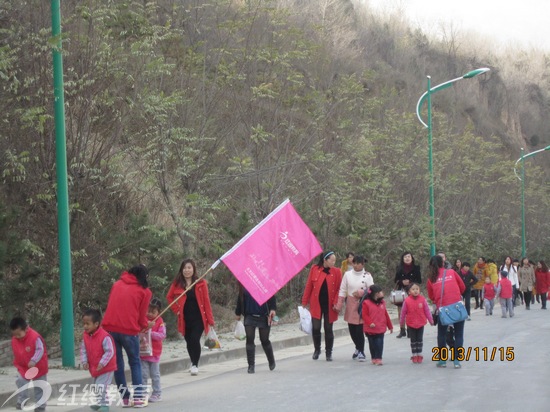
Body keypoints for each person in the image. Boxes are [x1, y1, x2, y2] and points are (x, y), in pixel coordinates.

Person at [102, 264, 151, 408]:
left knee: (118, 365)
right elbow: (142, 318)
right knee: (135, 362)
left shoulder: (117, 284)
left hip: (109, 329)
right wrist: (147, 325)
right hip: (129, 331)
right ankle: (138, 398)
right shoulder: (145, 291)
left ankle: (125, 399)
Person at [166, 258, 215, 376]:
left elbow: (206, 302)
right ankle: (193, 360)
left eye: (189, 268)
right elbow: (169, 297)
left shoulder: (200, 283)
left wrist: (210, 320)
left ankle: (195, 365)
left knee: (194, 338)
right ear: (181, 270)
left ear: (193, 269)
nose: (187, 270)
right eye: (185, 268)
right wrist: (177, 310)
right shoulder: (177, 284)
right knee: (188, 341)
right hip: (184, 318)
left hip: (199, 318)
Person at [302, 251, 342, 361]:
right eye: (332, 260)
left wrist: (336, 302)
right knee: (316, 328)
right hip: (316, 303)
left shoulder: (337, 272)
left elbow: (339, 289)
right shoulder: (314, 269)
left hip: (330, 305)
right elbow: (309, 286)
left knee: (328, 329)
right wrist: (304, 302)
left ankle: (329, 352)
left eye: (335, 260)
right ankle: (317, 349)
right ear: (325, 260)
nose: (334, 262)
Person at [427, 255, 466, 368]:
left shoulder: (431, 279)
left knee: (442, 334)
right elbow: (462, 287)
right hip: (457, 307)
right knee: (459, 334)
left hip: (443, 310)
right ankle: (457, 360)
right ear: (443, 263)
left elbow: (431, 296)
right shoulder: (452, 272)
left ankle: (442, 361)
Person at [335, 255, 373, 361]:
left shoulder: (367, 276)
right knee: (351, 328)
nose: (356, 265)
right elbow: (342, 290)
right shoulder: (347, 275)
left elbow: (372, 290)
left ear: (363, 264)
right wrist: (339, 304)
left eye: (358, 263)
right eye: (354, 263)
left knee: (359, 329)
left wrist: (361, 293)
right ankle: (357, 347)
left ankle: (361, 351)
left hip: (362, 304)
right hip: (351, 302)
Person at [80, 309, 117, 412]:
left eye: (88, 324)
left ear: (96, 324)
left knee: (101, 386)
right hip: (94, 367)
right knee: (96, 387)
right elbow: (83, 350)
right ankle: (100, 403)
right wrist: (84, 361)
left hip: (106, 367)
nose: (85, 326)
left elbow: (110, 351)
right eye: (84, 323)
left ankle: (104, 405)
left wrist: (102, 362)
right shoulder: (86, 336)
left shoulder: (105, 336)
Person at [235, 285, 277, 373]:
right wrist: (238, 313)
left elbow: (272, 296)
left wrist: (273, 309)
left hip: (264, 315)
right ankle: (251, 365)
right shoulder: (244, 283)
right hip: (249, 315)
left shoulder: (264, 282)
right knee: (250, 339)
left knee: (264, 340)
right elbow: (240, 298)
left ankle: (271, 360)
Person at [10, 317, 48, 412]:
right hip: (24, 367)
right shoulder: (15, 339)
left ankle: (40, 406)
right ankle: (22, 401)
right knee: (20, 381)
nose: (17, 337)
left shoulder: (35, 337)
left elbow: (40, 349)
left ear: (26, 329)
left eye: (19, 334)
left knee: (39, 387)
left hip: (38, 367)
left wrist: (34, 360)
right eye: (15, 335)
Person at [399, 283, 434, 364]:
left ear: (419, 290)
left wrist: (431, 320)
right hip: (411, 324)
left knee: (420, 339)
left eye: (417, 289)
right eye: (413, 289)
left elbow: (427, 311)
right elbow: (403, 313)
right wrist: (401, 322)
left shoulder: (422, 300)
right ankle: (414, 355)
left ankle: (419, 354)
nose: (415, 291)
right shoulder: (407, 301)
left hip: (421, 323)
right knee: (413, 340)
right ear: (409, 292)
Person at [140, 298, 166, 402]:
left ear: (159, 312)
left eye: (153, 312)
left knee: (155, 374)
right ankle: (142, 393)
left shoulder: (160, 322)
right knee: (143, 374)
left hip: (154, 353)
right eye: (148, 311)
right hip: (143, 351)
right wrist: (145, 328)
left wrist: (151, 333)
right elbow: (138, 331)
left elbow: (162, 335)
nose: (150, 314)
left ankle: (157, 393)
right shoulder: (143, 320)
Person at [361, 284, 393, 365]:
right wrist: (370, 322)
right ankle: (373, 357)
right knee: (372, 344)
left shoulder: (383, 303)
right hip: (370, 329)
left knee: (379, 343)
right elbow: (365, 315)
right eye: (379, 292)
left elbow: (386, 314)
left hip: (380, 328)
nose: (382, 293)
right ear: (374, 294)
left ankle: (379, 358)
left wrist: (390, 326)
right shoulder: (366, 303)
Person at [393, 251, 422, 338]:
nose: (407, 258)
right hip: (401, 292)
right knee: (401, 311)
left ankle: (410, 329)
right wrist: (402, 281)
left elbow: (419, 280)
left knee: (411, 310)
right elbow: (396, 280)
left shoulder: (416, 268)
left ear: (412, 258)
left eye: (409, 256)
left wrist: (411, 282)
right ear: (402, 259)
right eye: (405, 257)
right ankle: (402, 330)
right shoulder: (399, 268)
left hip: (412, 291)